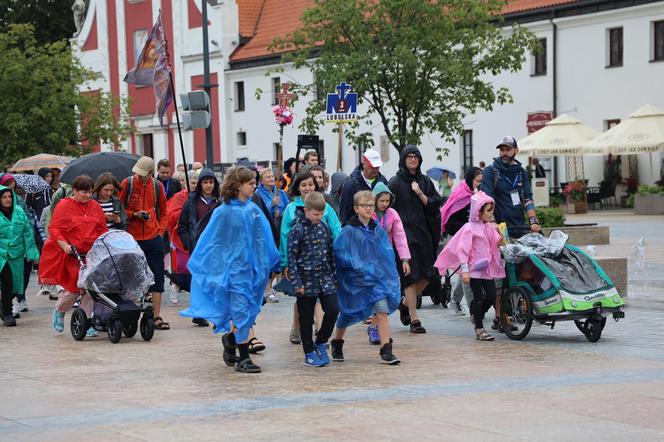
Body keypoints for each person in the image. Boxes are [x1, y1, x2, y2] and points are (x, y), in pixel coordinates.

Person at [181, 166, 280, 374]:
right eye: (250, 183)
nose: (254, 186)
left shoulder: (253, 210)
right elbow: (212, 241)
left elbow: (264, 238)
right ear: (237, 185)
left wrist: (272, 262)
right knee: (241, 311)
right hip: (234, 272)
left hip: (253, 271)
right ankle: (244, 358)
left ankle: (232, 339)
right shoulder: (223, 212)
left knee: (249, 311)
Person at [330, 191, 401, 365]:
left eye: (370, 205)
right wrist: (356, 265)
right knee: (347, 314)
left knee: (382, 310)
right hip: (355, 281)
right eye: (364, 205)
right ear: (356, 208)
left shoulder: (377, 230)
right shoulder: (348, 231)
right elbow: (339, 253)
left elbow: (386, 252)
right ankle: (337, 342)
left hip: (376, 280)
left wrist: (385, 273)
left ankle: (386, 350)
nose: (368, 208)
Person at [39, 176, 107, 336]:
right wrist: (65, 246)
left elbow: (102, 229)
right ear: (75, 191)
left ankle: (86, 322)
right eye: (84, 192)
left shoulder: (95, 206)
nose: (88, 195)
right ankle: (60, 311)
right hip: (72, 254)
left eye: (90, 192)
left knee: (90, 289)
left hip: (91, 254)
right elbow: (55, 228)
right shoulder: (64, 205)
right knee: (73, 290)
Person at [279, 171, 342, 344]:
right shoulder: (291, 209)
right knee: (303, 302)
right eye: (303, 185)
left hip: (323, 265)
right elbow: (285, 237)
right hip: (303, 267)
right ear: (298, 187)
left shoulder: (325, 206)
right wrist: (285, 263)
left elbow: (336, 229)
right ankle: (297, 326)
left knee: (326, 303)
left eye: (310, 184)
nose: (307, 188)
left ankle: (320, 335)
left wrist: (341, 252)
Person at [435, 192, 505, 341]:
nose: (491, 213)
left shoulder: (488, 226)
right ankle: (479, 328)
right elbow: (463, 250)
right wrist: (465, 271)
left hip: (486, 269)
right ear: (478, 211)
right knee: (478, 297)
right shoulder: (469, 228)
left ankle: (476, 314)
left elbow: (496, 241)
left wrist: (501, 236)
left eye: (492, 210)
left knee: (491, 295)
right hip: (473, 270)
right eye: (488, 210)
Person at [388, 145, 443, 334]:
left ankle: (405, 303)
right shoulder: (395, 182)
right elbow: (385, 205)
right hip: (404, 237)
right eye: (409, 157)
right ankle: (414, 319)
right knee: (410, 277)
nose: (412, 160)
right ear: (403, 159)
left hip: (424, 234)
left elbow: (435, 205)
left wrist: (419, 192)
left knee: (430, 275)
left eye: (416, 156)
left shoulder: (425, 181)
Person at [287, 192, 339, 367]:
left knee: (333, 309)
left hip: (325, 278)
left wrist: (334, 275)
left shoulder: (324, 227)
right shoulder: (297, 229)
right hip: (305, 279)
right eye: (316, 214)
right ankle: (308, 351)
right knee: (306, 318)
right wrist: (296, 282)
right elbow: (292, 258)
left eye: (321, 213)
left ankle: (321, 341)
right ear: (307, 211)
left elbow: (331, 252)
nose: (319, 217)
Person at [119, 156, 170, 330]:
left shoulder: (157, 186)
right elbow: (120, 208)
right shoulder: (127, 183)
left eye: (143, 174)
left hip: (152, 236)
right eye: (137, 173)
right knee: (130, 276)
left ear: (150, 173)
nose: (139, 177)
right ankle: (129, 313)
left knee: (157, 277)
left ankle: (156, 316)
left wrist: (160, 231)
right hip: (132, 238)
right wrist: (134, 214)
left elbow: (164, 211)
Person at [440, 166, 483, 315]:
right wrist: (466, 227)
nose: (479, 184)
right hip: (458, 236)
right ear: (470, 179)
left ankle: (455, 300)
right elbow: (451, 221)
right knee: (466, 269)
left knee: (465, 270)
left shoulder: (477, 194)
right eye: (477, 181)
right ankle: (473, 308)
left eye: (480, 181)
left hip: (474, 236)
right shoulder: (460, 193)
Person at [480, 136, 540, 239]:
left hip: (519, 227)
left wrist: (533, 221)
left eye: (508, 150)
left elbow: (528, 199)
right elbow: (487, 200)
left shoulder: (522, 172)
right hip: (498, 228)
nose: (504, 153)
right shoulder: (490, 171)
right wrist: (492, 222)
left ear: (516, 150)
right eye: (502, 150)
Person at [0, 185, 40, 326]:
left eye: (9, 196)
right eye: (4, 197)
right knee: (7, 282)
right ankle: (8, 314)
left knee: (17, 286)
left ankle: (3, 305)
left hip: (16, 254)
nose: (8, 199)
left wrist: (32, 253)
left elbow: (27, 233)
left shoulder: (19, 212)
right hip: (1, 254)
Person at [166, 170, 198, 304]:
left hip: (196, 236)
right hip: (181, 237)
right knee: (182, 267)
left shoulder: (198, 197)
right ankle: (176, 285)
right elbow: (171, 215)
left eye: (197, 183)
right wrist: (185, 212)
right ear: (185, 183)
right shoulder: (179, 197)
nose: (194, 185)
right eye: (192, 182)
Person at [339, 149, 388, 224]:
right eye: (372, 167)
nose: (375, 170)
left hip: (379, 229)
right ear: (363, 163)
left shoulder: (383, 182)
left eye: (377, 167)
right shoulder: (351, 184)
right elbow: (345, 212)